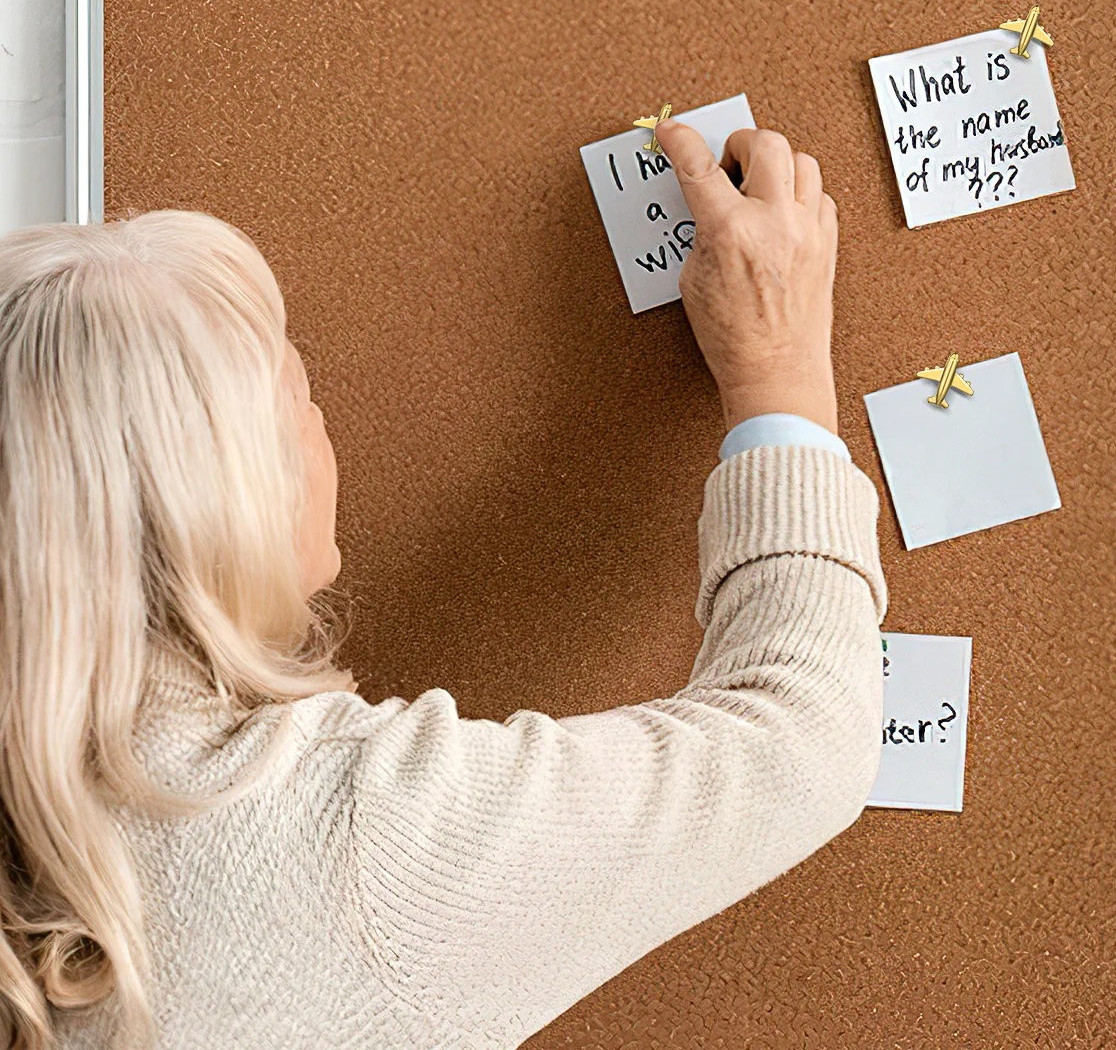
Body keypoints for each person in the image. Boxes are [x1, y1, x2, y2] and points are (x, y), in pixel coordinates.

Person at [0, 122, 885, 1050]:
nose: (321, 430)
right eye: (299, 396)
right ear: (233, 493)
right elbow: (803, 744)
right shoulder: (341, 840)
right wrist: (780, 378)